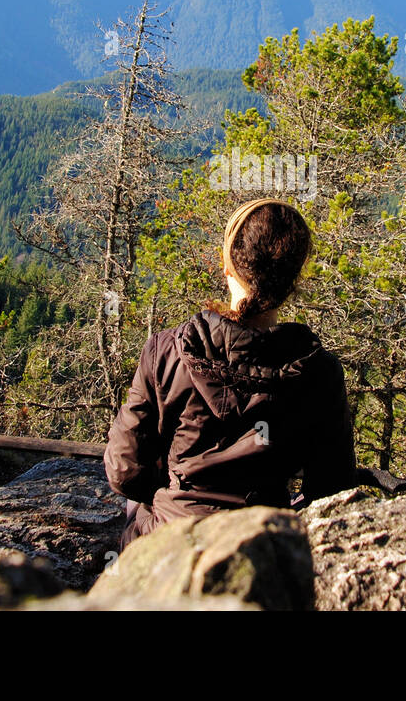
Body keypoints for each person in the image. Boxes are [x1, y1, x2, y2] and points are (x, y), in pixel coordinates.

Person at [104, 197, 358, 549]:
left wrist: (172, 493)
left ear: (227, 266)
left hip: (166, 549)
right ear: (292, 282)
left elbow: (124, 471)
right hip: (261, 553)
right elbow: (332, 487)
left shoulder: (167, 350)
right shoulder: (319, 372)